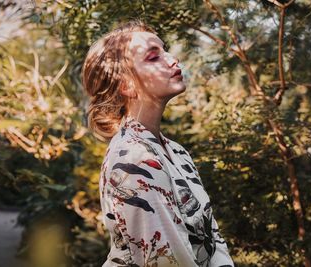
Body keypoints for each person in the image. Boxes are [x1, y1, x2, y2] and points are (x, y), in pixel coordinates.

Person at [82, 19, 234, 267]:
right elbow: (167, 261)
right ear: (127, 85)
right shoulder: (132, 159)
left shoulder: (177, 151)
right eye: (154, 58)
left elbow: (212, 239)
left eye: (165, 49)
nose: (173, 60)